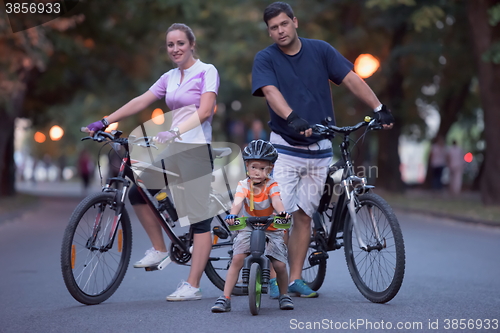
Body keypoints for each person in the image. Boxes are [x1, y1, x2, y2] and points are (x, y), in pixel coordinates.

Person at [251, 2, 394, 298]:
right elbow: (270, 91)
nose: (280, 31)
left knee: (304, 215)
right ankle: (272, 274)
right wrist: (292, 118)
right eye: (273, 28)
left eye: (283, 24)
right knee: (280, 216)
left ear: (295, 22)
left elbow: (351, 79)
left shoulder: (321, 50)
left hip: (319, 149)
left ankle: (293, 279)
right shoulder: (265, 58)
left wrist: (379, 108)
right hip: (286, 148)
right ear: (269, 31)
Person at [85, 23, 219, 301]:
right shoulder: (169, 77)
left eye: (180, 43)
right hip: (172, 150)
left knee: (200, 220)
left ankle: (192, 285)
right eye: (170, 45)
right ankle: (159, 248)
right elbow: (141, 100)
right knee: (138, 192)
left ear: (191, 44)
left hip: (195, 150)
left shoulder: (207, 71)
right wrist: (106, 121)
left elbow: (205, 111)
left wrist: (175, 131)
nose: (175, 49)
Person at [211, 140, 293, 312]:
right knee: (237, 258)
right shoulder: (244, 185)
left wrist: (282, 213)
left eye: (263, 168)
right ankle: (225, 297)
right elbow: (238, 201)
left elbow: (277, 200)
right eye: (254, 167)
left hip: (271, 226)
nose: (257, 172)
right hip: (249, 226)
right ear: (247, 166)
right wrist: (233, 214)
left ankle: (284, 295)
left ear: (270, 169)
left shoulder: (272, 185)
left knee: (279, 265)